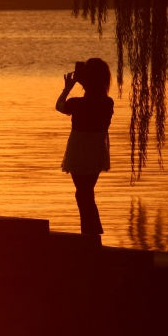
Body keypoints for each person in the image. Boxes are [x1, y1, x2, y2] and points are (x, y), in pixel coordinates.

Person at [56, 57, 114, 243]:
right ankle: (91, 232)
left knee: (82, 192)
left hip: (79, 151)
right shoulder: (107, 103)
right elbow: (95, 101)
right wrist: (84, 81)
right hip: (97, 151)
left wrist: (68, 86)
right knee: (86, 191)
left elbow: (59, 106)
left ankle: (90, 234)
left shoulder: (77, 104)